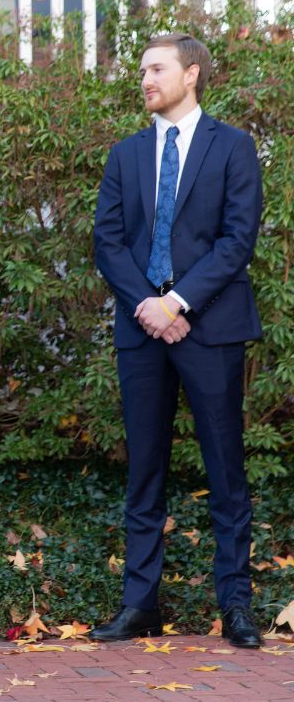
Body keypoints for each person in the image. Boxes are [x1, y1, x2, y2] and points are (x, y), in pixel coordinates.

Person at [91, 33, 263, 648]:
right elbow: (107, 242)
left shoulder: (234, 148)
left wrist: (177, 301)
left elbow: (236, 240)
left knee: (225, 468)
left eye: (156, 68)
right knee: (145, 469)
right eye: (141, 69)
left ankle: (236, 606)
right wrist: (148, 306)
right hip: (142, 332)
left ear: (191, 75)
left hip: (210, 328)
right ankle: (140, 605)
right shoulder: (126, 154)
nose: (144, 79)